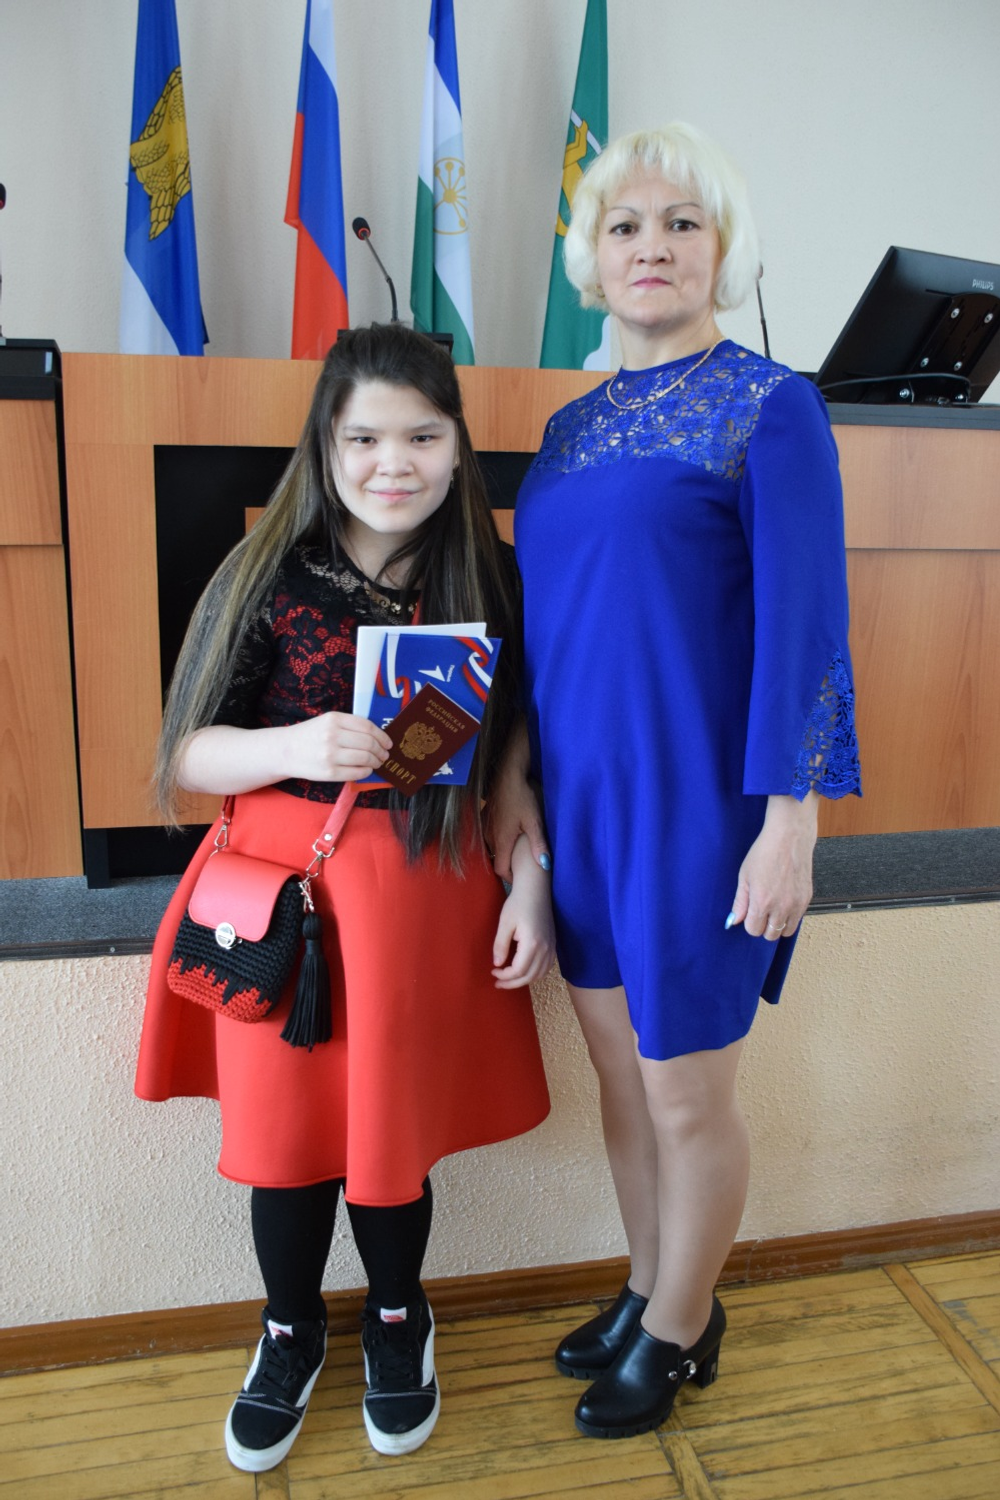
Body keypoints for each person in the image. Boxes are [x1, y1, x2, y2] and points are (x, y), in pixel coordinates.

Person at [493, 123, 861, 1439]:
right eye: (625, 226)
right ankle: (651, 1284)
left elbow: (808, 628)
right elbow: (540, 632)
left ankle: (681, 1327)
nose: (650, 246)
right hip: (582, 811)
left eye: (680, 223)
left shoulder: (772, 405)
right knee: (619, 1077)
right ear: (593, 259)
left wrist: (791, 822)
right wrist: (518, 792)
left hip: (706, 812)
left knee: (685, 1092)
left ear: (722, 249)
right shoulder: (566, 429)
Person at [135, 323, 553, 1473]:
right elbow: (185, 755)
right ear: (324, 444)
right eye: (363, 437)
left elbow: (518, 743)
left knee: (388, 1134)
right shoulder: (268, 570)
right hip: (289, 902)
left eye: (422, 436)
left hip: (422, 901)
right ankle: (288, 1330)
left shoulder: (489, 574)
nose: (392, 463)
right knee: (285, 1137)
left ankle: (397, 1317)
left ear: (458, 444)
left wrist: (529, 881)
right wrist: (293, 745)